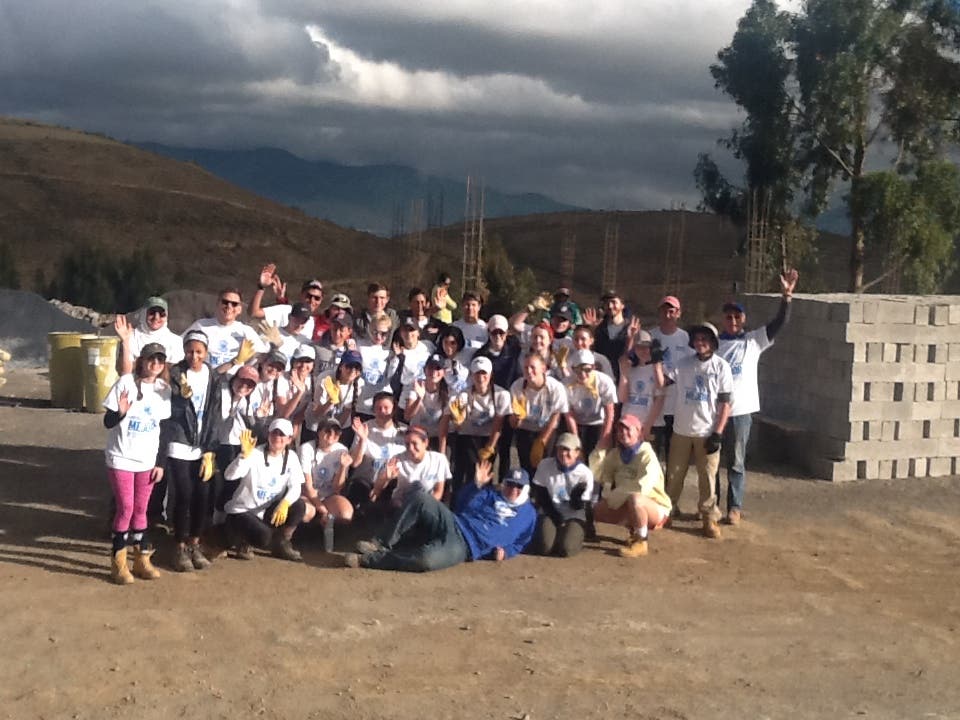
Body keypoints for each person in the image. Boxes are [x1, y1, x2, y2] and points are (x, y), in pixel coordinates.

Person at [344, 459, 535, 572]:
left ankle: (369, 561)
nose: (513, 489)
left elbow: (521, 542)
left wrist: (506, 552)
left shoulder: (529, 515)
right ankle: (380, 543)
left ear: (525, 488)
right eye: (510, 484)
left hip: (466, 547)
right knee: (421, 498)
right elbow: (461, 505)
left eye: (519, 486)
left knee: (426, 561)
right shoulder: (490, 494)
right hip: (455, 522)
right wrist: (476, 485)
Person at [715, 269, 798, 525]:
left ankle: (734, 507)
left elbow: (779, 324)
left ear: (743, 319)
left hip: (740, 412)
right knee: (712, 461)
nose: (732, 320)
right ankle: (711, 506)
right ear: (723, 319)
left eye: (737, 316)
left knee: (736, 462)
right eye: (728, 316)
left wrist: (786, 297)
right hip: (714, 413)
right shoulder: (714, 344)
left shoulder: (753, 341)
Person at [102, 343, 172, 584]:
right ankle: (118, 563)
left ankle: (141, 560)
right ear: (142, 360)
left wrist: (160, 463)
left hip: (147, 460)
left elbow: (165, 429)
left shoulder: (164, 389)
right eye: (152, 358)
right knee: (126, 509)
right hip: (121, 457)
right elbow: (108, 422)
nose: (155, 364)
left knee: (142, 510)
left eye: (160, 360)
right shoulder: (125, 383)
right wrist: (120, 413)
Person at [663, 322, 733, 539]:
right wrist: (655, 361)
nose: (700, 343)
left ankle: (708, 517)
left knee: (707, 477)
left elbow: (725, 403)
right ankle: (668, 509)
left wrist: (718, 432)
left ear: (713, 342)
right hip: (682, 429)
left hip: (706, 431)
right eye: (697, 339)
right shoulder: (683, 363)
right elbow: (663, 381)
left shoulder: (721, 367)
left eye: (705, 339)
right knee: (674, 474)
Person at [163, 330, 220, 572]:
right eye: (189, 351)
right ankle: (179, 545)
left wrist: (210, 449)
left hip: (201, 444)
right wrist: (180, 397)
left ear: (206, 352)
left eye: (198, 351)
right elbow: (169, 410)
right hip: (180, 440)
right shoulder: (176, 374)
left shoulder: (212, 376)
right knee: (184, 494)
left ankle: (195, 543)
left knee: (202, 495)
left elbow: (214, 412)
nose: (194, 356)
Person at [223, 420, 306, 562]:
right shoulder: (254, 453)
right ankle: (242, 540)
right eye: (274, 433)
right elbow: (229, 476)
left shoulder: (291, 457)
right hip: (243, 511)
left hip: (267, 510)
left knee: (299, 506)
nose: (277, 437)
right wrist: (243, 456)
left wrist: (285, 503)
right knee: (264, 538)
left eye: (282, 435)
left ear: (289, 439)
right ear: (268, 435)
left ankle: (282, 543)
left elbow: (296, 486)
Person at [593, 415, 672, 557]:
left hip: (654, 505)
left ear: (639, 432)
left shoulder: (647, 454)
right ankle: (633, 529)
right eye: (620, 430)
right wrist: (600, 450)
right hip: (624, 500)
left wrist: (615, 497)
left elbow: (643, 487)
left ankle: (641, 540)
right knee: (596, 511)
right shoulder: (615, 454)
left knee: (636, 499)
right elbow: (602, 476)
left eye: (628, 429)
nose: (623, 433)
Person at [448, 356, 511, 498]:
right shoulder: (463, 394)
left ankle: (483, 501)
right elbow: (459, 426)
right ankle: (459, 501)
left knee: (486, 474)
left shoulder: (502, 394)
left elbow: (498, 423)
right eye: (477, 373)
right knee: (466, 472)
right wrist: (458, 420)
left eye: (484, 373)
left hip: (490, 436)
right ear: (471, 375)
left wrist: (490, 447)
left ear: (490, 374)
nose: (481, 377)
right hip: (467, 436)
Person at [530, 432, 594, 557]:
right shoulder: (545, 465)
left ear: (577, 452)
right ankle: (556, 533)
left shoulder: (585, 473)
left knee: (566, 550)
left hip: (574, 514)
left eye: (568, 450)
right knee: (544, 548)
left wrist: (576, 496)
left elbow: (581, 506)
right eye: (560, 449)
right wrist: (555, 517)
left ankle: (574, 534)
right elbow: (541, 496)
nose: (564, 453)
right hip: (550, 510)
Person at [648, 295, 693, 461]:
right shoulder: (651, 336)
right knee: (652, 454)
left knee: (673, 455)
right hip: (654, 404)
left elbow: (692, 366)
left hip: (677, 405)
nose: (667, 315)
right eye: (664, 311)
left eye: (671, 311)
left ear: (678, 313)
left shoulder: (685, 338)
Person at [509, 353, 569, 476]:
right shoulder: (517, 386)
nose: (529, 371)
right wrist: (517, 417)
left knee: (548, 469)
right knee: (527, 469)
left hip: (548, 429)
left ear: (543, 368)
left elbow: (556, 415)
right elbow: (513, 424)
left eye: (532, 367)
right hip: (526, 430)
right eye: (526, 368)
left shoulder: (556, 387)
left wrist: (542, 441)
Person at [369, 425, 450, 512]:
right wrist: (386, 477)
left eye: (414, 443)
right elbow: (376, 491)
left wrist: (422, 507)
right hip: (401, 506)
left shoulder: (439, 460)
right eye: (407, 444)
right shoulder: (398, 459)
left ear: (426, 443)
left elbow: (438, 492)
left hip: (426, 506)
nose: (411, 448)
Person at [185, 287, 267, 369]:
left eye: (234, 304)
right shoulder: (201, 326)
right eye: (225, 302)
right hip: (206, 375)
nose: (229, 306)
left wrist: (273, 343)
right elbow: (180, 347)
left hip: (234, 377)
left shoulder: (246, 331)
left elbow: (263, 356)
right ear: (217, 304)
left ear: (239, 309)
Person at [299, 419, 356, 526]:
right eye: (328, 431)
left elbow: (337, 488)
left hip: (328, 495)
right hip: (307, 495)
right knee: (307, 512)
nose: (331, 435)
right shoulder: (306, 448)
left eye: (336, 432)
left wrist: (343, 467)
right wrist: (323, 510)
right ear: (319, 432)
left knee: (345, 513)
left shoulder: (342, 450)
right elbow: (308, 487)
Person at [563, 349, 617, 458]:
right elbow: (569, 415)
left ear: (594, 367)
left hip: (599, 423)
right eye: (578, 370)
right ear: (572, 369)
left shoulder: (605, 382)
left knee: (597, 457)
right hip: (577, 422)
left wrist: (605, 438)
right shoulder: (566, 384)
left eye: (587, 370)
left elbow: (609, 413)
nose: (583, 374)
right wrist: (576, 441)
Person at [248, 265, 326, 340]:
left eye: (317, 298)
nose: (312, 301)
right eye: (308, 296)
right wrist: (261, 287)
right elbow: (254, 313)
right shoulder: (285, 310)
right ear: (301, 294)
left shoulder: (314, 323)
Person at [618, 319, 666, 436]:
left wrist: (648, 425)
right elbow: (622, 398)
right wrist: (624, 374)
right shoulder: (629, 368)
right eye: (639, 347)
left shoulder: (661, 368)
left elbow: (660, 397)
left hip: (652, 425)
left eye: (647, 347)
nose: (644, 351)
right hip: (629, 423)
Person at [305, 349, 364, 446]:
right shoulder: (325, 378)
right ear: (341, 366)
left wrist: (335, 432)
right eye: (349, 366)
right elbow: (317, 413)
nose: (353, 371)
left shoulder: (360, 384)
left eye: (357, 368)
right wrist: (331, 401)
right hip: (317, 427)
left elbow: (346, 411)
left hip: (339, 427)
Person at [114, 296, 184, 375]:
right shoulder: (130, 337)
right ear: (144, 314)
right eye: (152, 312)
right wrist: (125, 342)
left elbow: (176, 371)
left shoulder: (176, 341)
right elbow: (124, 373)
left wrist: (137, 363)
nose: (156, 317)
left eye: (162, 314)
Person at [401, 353, 451, 453]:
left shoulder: (448, 392)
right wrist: (419, 398)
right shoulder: (416, 386)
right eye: (430, 368)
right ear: (424, 370)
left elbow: (443, 428)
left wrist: (442, 454)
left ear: (444, 372)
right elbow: (407, 416)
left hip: (435, 439)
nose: (434, 372)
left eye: (438, 368)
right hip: (415, 437)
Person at [586, 290, 630, 383]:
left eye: (614, 302)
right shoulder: (599, 329)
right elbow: (591, 352)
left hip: (624, 380)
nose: (610, 306)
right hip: (602, 380)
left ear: (622, 305)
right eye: (607, 303)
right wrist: (591, 330)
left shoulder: (630, 328)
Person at [357, 312, 394, 420]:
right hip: (360, 405)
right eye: (375, 332)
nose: (378, 336)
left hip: (381, 408)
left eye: (383, 333)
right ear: (369, 329)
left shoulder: (390, 352)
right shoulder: (360, 346)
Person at [256, 301, 312, 369]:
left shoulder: (306, 342)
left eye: (303, 321)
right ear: (289, 317)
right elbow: (256, 360)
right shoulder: (272, 333)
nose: (299, 325)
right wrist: (274, 348)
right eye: (297, 320)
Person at [386, 317, 432, 394]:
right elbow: (393, 383)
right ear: (400, 333)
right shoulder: (398, 354)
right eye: (405, 330)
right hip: (410, 392)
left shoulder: (428, 345)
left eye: (411, 330)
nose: (408, 333)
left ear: (418, 332)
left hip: (429, 391)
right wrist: (400, 358)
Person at [452, 291, 488, 359]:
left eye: (473, 305)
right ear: (462, 306)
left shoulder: (485, 328)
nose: (470, 308)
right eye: (467, 304)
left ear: (479, 307)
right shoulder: (454, 327)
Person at [435, 324, 470, 394]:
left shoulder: (469, 354)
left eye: (452, 343)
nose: (448, 347)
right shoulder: (437, 359)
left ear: (459, 343)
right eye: (446, 342)